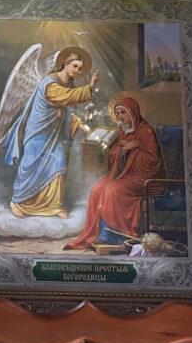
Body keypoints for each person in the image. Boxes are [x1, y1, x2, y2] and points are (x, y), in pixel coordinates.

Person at [2, 48, 99, 219]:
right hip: (37, 131)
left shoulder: (67, 85)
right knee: (30, 164)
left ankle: (54, 206)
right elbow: (63, 97)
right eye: (75, 66)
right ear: (66, 64)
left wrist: (83, 127)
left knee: (58, 161)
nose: (77, 71)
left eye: (79, 68)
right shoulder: (50, 82)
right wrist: (89, 88)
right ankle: (17, 201)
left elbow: (67, 111)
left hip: (53, 134)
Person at [64, 96, 165, 250]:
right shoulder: (124, 131)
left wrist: (135, 146)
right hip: (123, 174)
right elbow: (116, 153)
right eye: (118, 114)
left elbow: (153, 160)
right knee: (97, 189)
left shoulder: (146, 131)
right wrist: (119, 149)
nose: (120, 117)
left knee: (112, 190)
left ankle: (113, 236)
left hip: (142, 178)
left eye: (123, 113)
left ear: (133, 112)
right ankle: (97, 234)